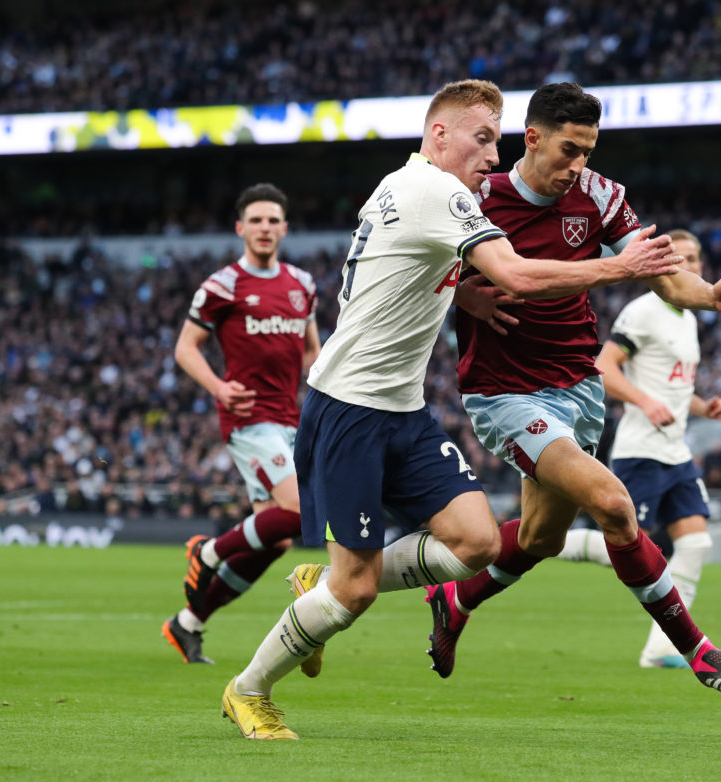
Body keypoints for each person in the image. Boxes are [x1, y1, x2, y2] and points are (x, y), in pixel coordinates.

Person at [220, 79, 686, 740]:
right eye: (482, 139)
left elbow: (415, 268)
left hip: (401, 410)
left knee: (472, 542)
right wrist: (622, 267)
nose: (492, 156)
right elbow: (519, 274)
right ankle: (250, 689)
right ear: (439, 135)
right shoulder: (436, 191)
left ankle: (319, 585)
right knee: (354, 591)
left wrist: (462, 298)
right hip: (349, 408)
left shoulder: (403, 185)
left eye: (497, 140)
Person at [414, 82, 721, 693]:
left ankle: (455, 598)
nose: (579, 165)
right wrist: (458, 292)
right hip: (504, 393)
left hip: (578, 388)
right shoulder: (476, 196)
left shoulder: (601, 196)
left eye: (588, 151)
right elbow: (410, 269)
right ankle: (699, 653)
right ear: (532, 138)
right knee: (612, 504)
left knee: (540, 539)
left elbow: (660, 274)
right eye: (569, 150)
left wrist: (711, 295)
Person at [554, 230, 721, 668]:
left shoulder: (689, 316)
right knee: (634, 546)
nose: (690, 266)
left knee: (695, 545)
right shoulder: (645, 310)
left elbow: (672, 387)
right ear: (665, 263)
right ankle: (543, 543)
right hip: (641, 451)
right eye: (681, 258)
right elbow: (604, 368)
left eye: (695, 258)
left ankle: (662, 648)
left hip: (675, 451)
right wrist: (645, 402)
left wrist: (702, 405)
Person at [161, 183, 320, 665]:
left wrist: (319, 384)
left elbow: (311, 349)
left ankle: (187, 624)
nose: (265, 228)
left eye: (273, 220)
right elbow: (185, 348)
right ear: (240, 228)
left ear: (284, 228)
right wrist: (218, 387)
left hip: (290, 417)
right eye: (256, 221)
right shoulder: (222, 286)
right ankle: (207, 552)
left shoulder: (302, 285)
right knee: (298, 508)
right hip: (248, 417)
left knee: (276, 540)